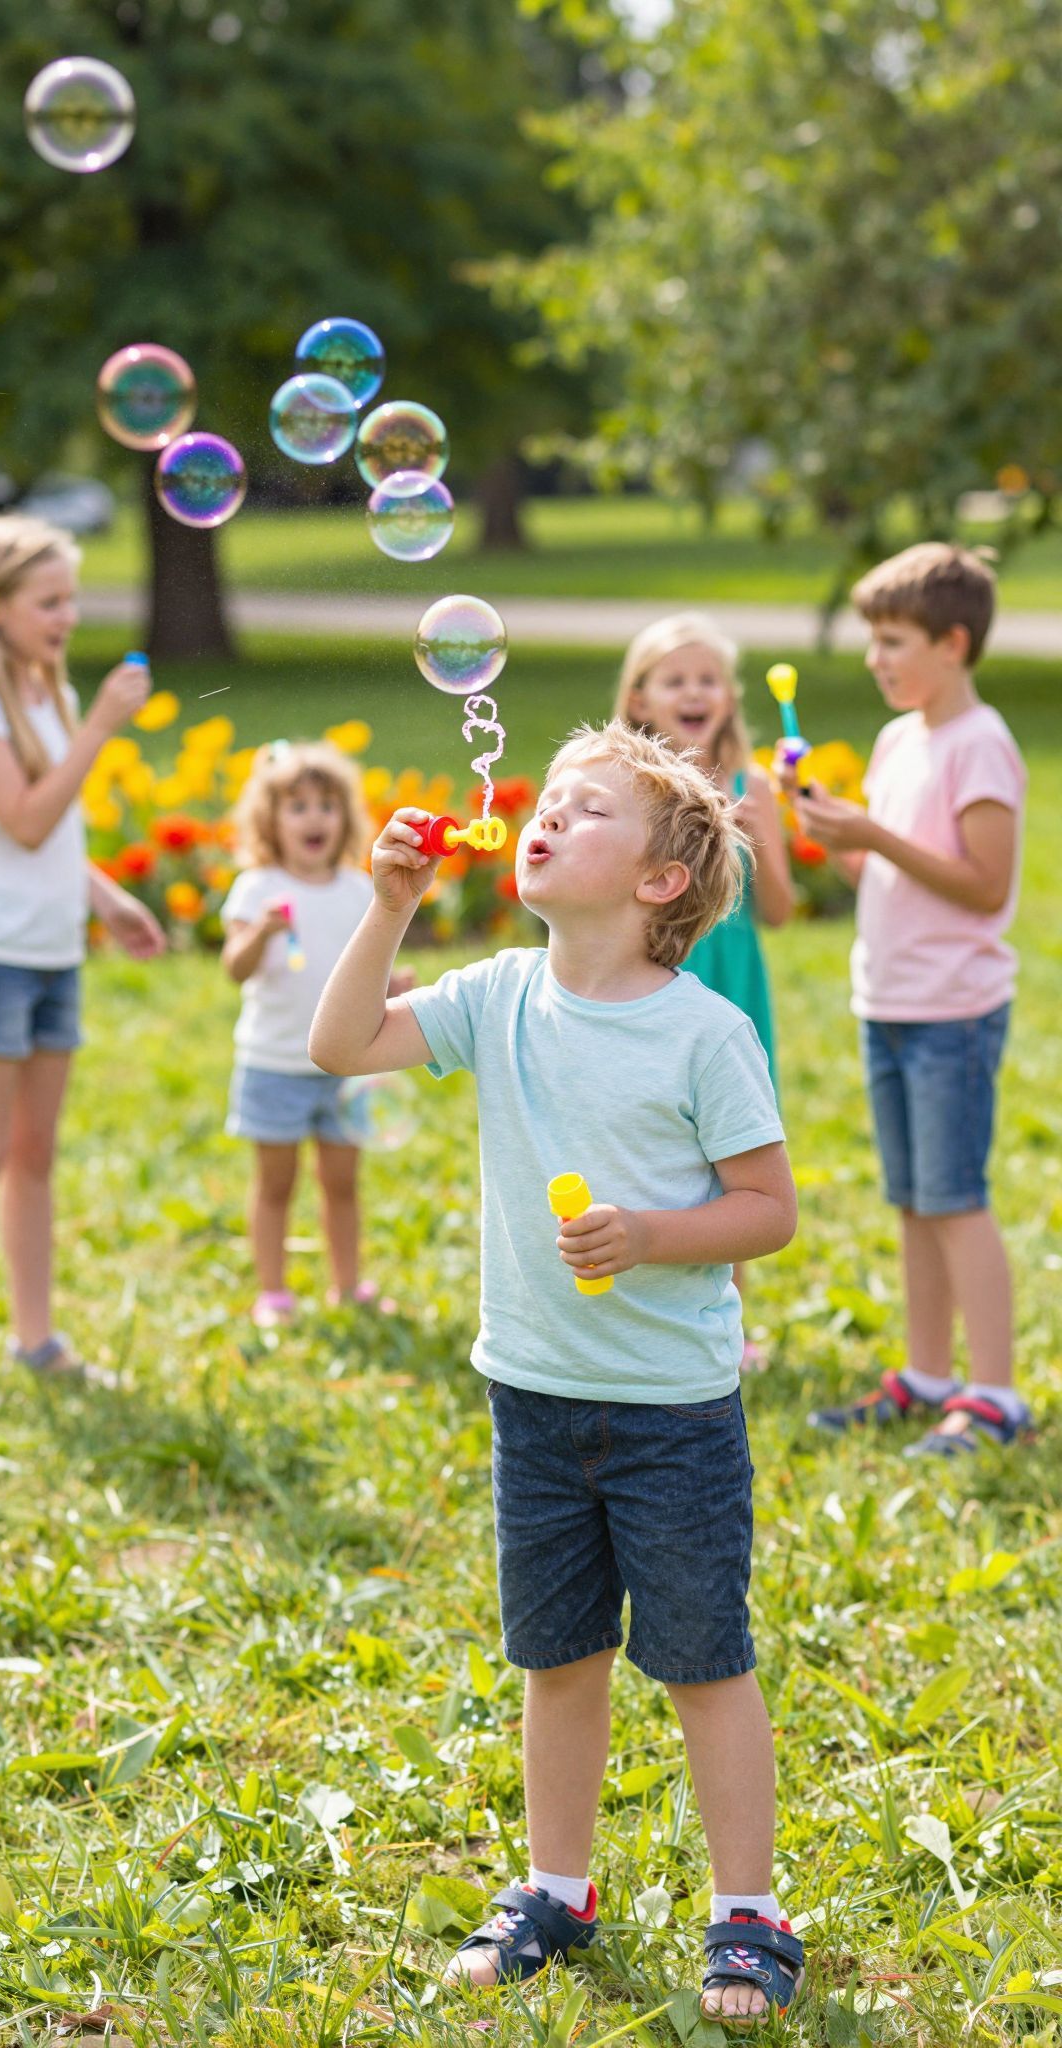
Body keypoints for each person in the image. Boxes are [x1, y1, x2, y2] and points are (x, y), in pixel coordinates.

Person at [310, 719, 805, 2025]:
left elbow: (769, 1209)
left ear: (658, 883)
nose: (547, 814)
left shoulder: (703, 1036)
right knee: (559, 1659)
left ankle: (748, 1912)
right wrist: (389, 906)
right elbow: (338, 1044)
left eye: (590, 810)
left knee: (703, 1661)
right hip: (532, 1391)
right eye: (553, 798)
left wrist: (650, 1236)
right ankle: (556, 1889)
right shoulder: (493, 996)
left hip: (673, 1412)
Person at [777, 542, 1030, 1455]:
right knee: (914, 1201)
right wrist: (826, 822)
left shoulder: (982, 745)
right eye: (871, 640)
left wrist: (872, 830)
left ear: (953, 643)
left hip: (953, 1011)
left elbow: (985, 887)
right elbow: (870, 869)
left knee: (956, 1198)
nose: (877, 659)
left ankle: (996, 1394)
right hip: (888, 1002)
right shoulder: (898, 740)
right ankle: (928, 1376)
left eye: (893, 641)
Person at [0, 514, 166, 1408]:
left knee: (34, 1156)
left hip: (50, 950)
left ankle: (36, 1340)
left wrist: (107, 897)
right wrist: (100, 725)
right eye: (48, 601)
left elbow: (45, 832)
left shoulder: (37, 689)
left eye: (70, 598)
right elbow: (22, 817)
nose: (66, 615)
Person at [615, 613, 794, 1370]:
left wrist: (757, 837)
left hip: (732, 985)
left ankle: (730, 1320)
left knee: (733, 1144)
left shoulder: (753, 787)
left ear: (728, 696)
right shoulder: (626, 793)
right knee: (648, 1132)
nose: (695, 691)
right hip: (653, 978)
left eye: (708, 678)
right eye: (675, 679)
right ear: (641, 699)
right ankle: (642, 1309)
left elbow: (781, 910)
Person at [221, 739, 413, 1326]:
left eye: (326, 806)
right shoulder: (257, 890)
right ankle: (274, 1293)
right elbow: (235, 968)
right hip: (273, 1063)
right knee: (275, 1184)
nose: (314, 818)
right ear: (270, 820)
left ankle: (347, 1285)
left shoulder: (361, 891)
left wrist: (393, 989)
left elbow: (364, 971)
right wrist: (260, 933)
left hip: (342, 1067)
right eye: (297, 806)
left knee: (342, 1184)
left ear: (344, 818)